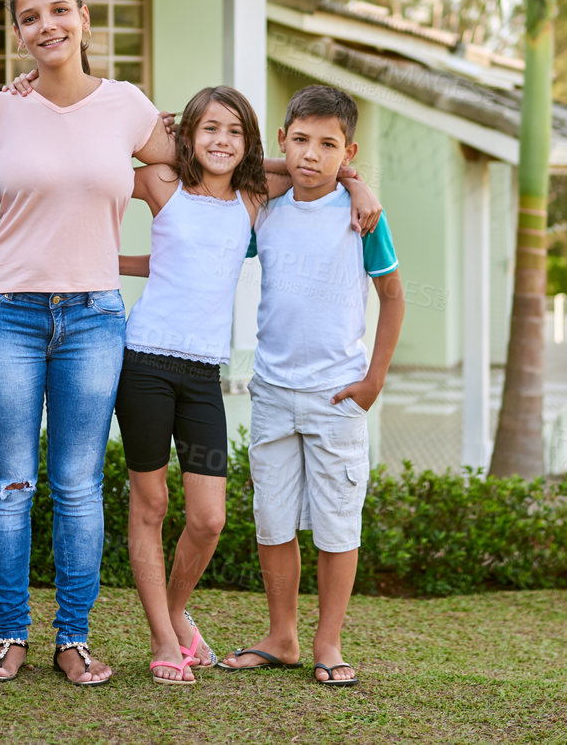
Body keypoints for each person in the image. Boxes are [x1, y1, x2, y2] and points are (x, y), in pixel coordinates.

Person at [112, 86, 380, 685]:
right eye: (208, 129)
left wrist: (357, 181)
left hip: (203, 373)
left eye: (234, 132)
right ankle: (163, 639)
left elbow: (312, 165)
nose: (221, 141)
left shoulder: (254, 197)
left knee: (209, 518)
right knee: (151, 505)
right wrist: (100, 254)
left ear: (251, 144)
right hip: (146, 363)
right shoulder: (161, 182)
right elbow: (95, 172)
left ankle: (177, 613)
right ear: (187, 135)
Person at [0, 0, 177, 687]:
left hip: (92, 317)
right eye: (29, 16)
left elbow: (209, 163)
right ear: (18, 33)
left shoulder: (128, 108)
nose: (45, 24)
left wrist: (344, 183)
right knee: (9, 484)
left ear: (83, 19)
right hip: (4, 314)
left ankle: (72, 639)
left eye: (58, 10)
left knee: (78, 485)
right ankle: (10, 636)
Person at [218, 85, 405, 687]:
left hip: (337, 396)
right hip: (272, 391)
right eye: (300, 140)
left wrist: (374, 378)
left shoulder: (362, 217)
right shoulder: (264, 210)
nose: (311, 155)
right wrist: (355, 175)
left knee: (336, 525)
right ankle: (283, 636)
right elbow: (241, 167)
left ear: (347, 150)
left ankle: (328, 642)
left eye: (329, 146)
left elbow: (393, 297)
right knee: (272, 521)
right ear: (281, 140)